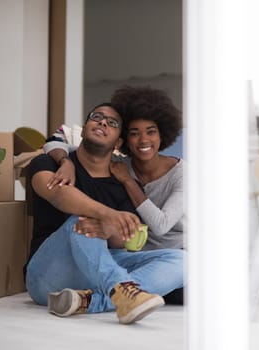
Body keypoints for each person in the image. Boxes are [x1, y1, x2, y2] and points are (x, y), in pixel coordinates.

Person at [25, 102, 185, 324]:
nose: (102, 122)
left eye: (112, 123)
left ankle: (93, 301)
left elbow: (124, 240)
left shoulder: (121, 183)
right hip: (47, 274)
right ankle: (122, 292)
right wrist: (107, 216)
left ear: (118, 142)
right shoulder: (48, 163)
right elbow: (58, 194)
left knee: (183, 260)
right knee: (81, 222)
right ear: (83, 129)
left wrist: (111, 230)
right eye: (97, 117)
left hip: (96, 274)